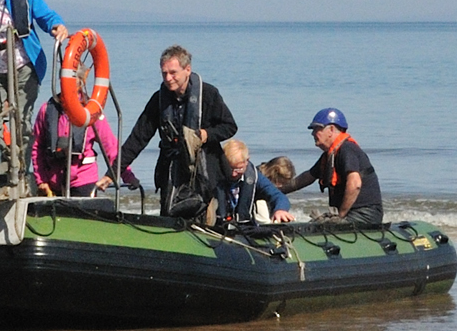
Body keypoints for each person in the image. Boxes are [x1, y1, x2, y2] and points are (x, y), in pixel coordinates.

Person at [116, 45, 237, 219]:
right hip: (171, 170)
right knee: (169, 216)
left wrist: (206, 134)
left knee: (206, 219)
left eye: (173, 73)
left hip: (205, 172)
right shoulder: (158, 100)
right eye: (164, 73)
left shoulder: (209, 94)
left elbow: (230, 126)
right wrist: (114, 172)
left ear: (187, 70)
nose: (168, 78)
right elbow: (138, 138)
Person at [280, 107, 384, 224]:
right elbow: (306, 178)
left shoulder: (347, 149)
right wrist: (275, 191)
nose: (313, 133)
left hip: (365, 214)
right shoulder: (330, 155)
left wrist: (341, 215)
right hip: (351, 213)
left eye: (317, 129)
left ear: (331, 129)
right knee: (314, 225)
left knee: (321, 227)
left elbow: (355, 184)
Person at [32, 92, 121, 197]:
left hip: (84, 180)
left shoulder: (92, 111)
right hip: (53, 182)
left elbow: (111, 146)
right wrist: (41, 180)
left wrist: (126, 175)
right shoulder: (46, 109)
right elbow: (37, 147)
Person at [204, 137, 294, 230]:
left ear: (246, 161)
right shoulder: (211, 175)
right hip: (216, 227)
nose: (233, 174)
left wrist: (280, 210)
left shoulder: (254, 176)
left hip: (245, 228)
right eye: (230, 168)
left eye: (238, 169)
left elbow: (278, 196)